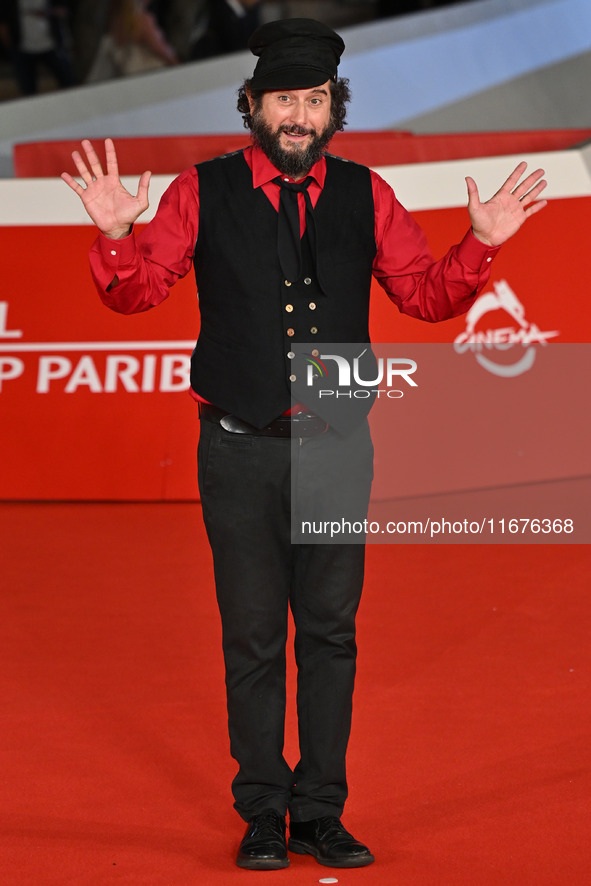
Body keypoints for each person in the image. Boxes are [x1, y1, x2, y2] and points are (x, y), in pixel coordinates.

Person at [61, 18, 547, 870]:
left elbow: (426, 298)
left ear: (333, 110)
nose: (298, 115)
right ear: (251, 105)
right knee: (251, 635)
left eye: (314, 100)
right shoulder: (199, 190)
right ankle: (260, 811)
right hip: (237, 444)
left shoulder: (367, 193)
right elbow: (136, 295)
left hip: (333, 441)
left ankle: (321, 808)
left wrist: (481, 244)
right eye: (283, 99)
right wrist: (113, 235)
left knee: (329, 633)